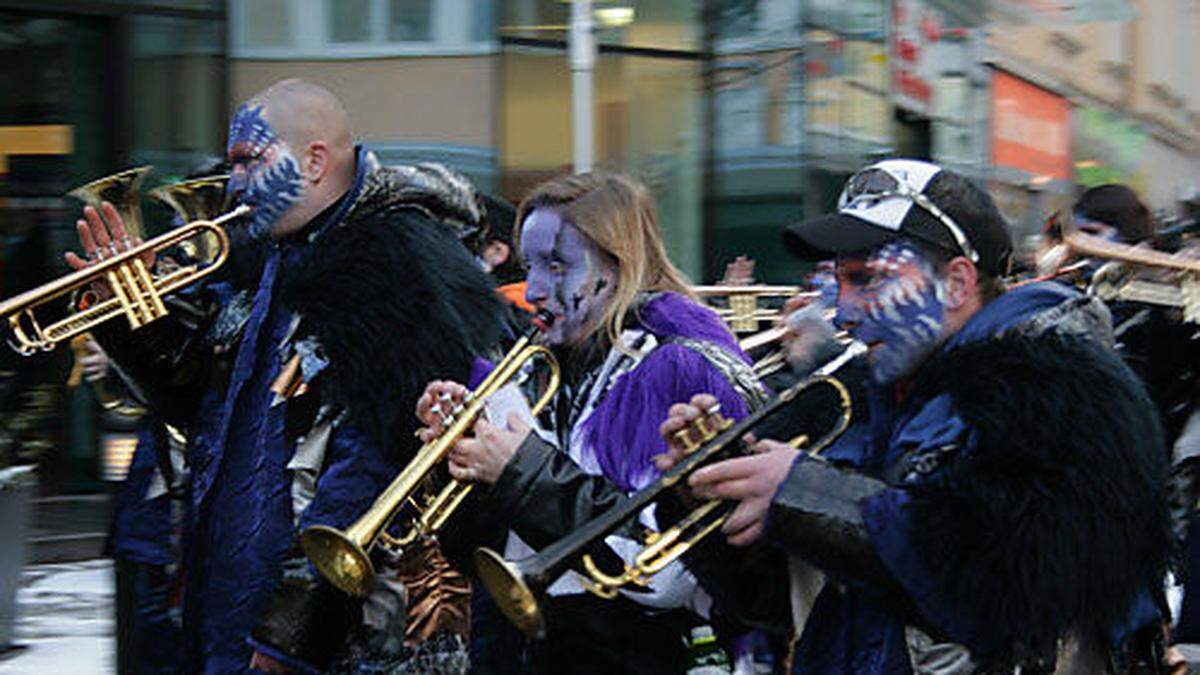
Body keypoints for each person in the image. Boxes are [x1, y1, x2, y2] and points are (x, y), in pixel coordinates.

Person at [659, 159, 1173, 672]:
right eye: (839, 280)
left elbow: (1002, 576)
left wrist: (802, 493)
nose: (844, 311)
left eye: (867, 279)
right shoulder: (877, 395)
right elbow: (794, 604)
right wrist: (714, 490)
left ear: (955, 282)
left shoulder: (1064, 390)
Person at [67, 79, 509, 673]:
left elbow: (371, 479)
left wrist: (287, 638)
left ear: (315, 161)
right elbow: (201, 406)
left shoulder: (395, 265)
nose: (233, 183)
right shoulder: (271, 253)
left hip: (337, 642)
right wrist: (125, 317)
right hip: (234, 609)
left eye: (248, 161)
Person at [416, 171, 768, 673]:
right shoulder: (541, 367)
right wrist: (456, 464)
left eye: (557, 265)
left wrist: (520, 471)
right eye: (529, 265)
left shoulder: (676, 368)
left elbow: (663, 573)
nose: (533, 290)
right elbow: (491, 556)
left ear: (619, 264)